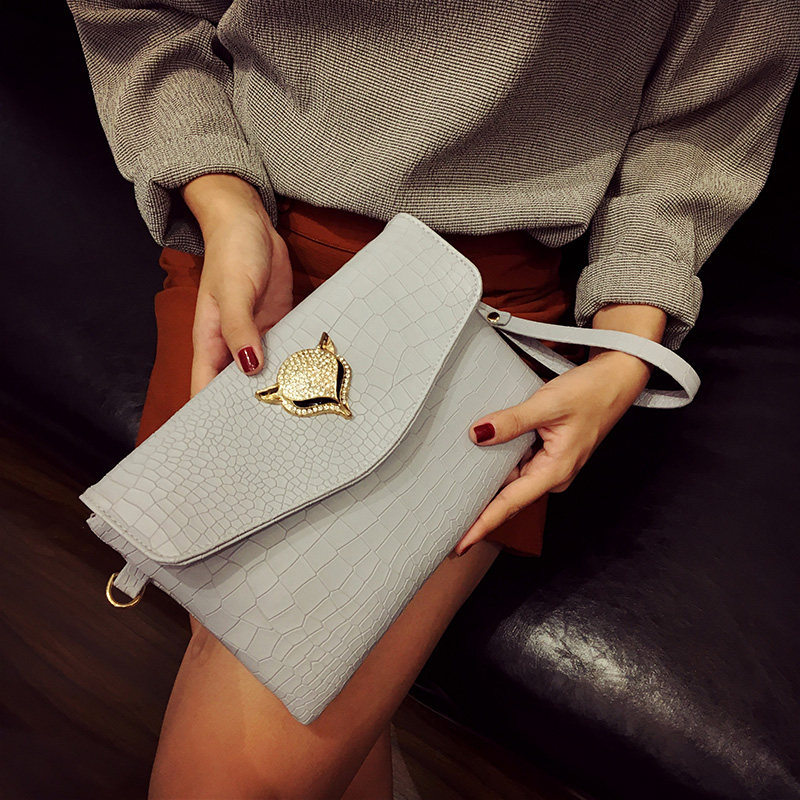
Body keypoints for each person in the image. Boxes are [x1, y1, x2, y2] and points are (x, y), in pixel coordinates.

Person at [65, 1, 800, 797]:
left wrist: (624, 348)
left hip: (482, 308)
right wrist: (223, 200)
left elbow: (703, 125)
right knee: (281, 688)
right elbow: (141, 11)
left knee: (258, 749)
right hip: (257, 252)